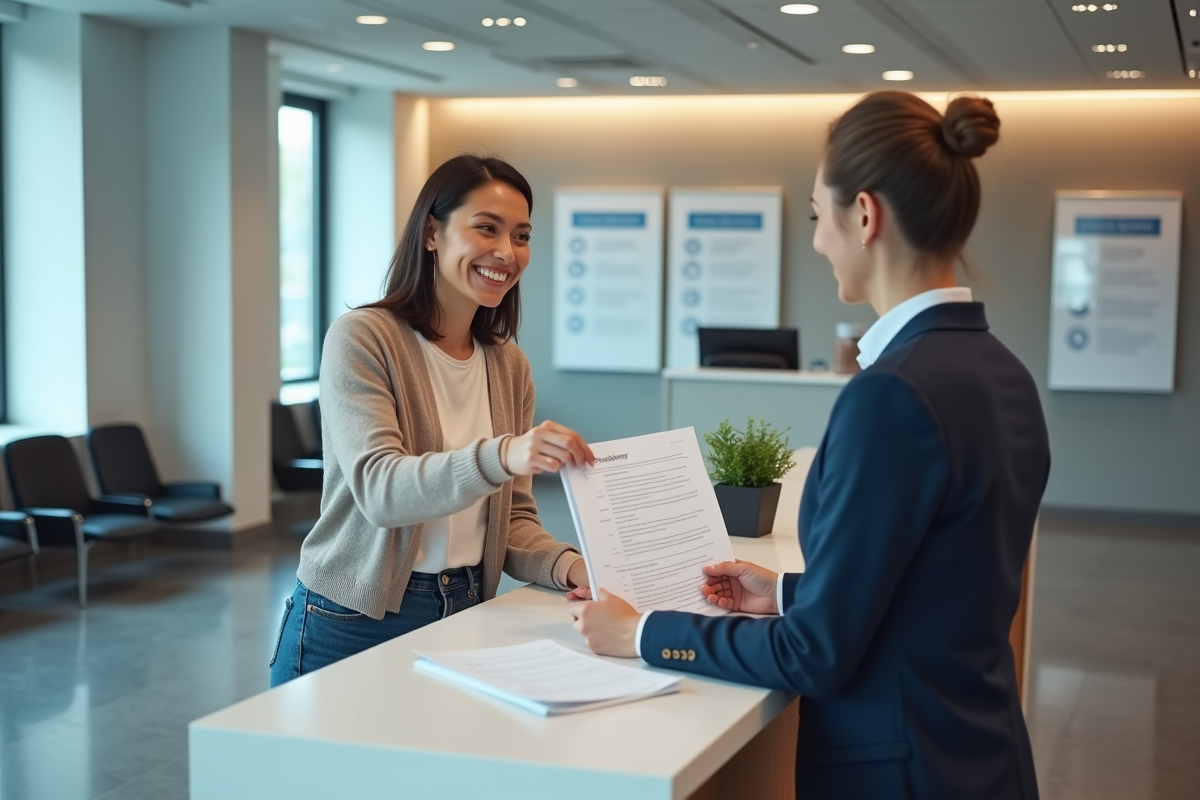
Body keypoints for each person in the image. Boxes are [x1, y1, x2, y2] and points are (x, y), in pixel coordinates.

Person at [568, 91, 1050, 800]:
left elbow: (816, 656)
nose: (820, 241)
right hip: (980, 756)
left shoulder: (892, 395)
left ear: (865, 215)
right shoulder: (1002, 371)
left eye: (820, 218)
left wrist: (641, 632)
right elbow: (941, 584)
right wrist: (791, 592)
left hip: (900, 774)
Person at [271, 155, 594, 687]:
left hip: (467, 604)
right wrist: (503, 454)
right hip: (352, 620)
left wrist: (575, 568)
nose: (506, 253)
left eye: (521, 236)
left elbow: (510, 521)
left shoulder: (508, 365)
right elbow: (381, 490)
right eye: (486, 228)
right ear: (431, 233)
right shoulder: (363, 338)